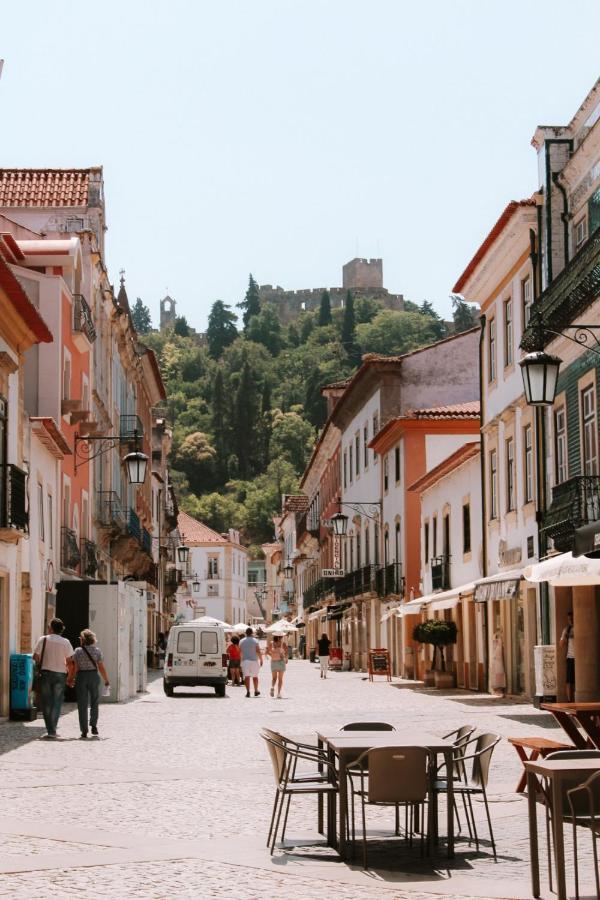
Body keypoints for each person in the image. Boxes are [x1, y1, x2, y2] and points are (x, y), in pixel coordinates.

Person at [33, 618, 75, 739]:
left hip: (45, 673)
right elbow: (70, 662)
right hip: (60, 675)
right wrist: (70, 677)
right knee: (57, 702)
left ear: (51, 628)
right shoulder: (66, 642)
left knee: (46, 702)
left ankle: (50, 730)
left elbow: (35, 657)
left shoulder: (43, 639)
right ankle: (53, 730)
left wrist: (43, 661)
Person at [68, 629, 110, 739]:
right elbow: (101, 667)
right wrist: (106, 679)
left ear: (82, 639)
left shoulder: (77, 651)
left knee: (82, 704)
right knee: (95, 701)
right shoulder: (97, 651)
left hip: (81, 676)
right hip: (93, 676)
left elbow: (75, 667)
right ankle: (93, 725)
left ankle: (84, 730)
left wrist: (71, 679)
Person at [240, 627, 263, 698]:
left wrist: (240, 661)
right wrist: (261, 659)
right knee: (255, 676)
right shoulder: (255, 641)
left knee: (246, 677)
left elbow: (240, 652)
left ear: (245, 633)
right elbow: (258, 651)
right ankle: (256, 691)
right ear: (252, 633)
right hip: (254, 660)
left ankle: (248, 692)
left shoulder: (241, 641)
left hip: (245, 661)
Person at [560, 611, 575, 702]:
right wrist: (565, 635)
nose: (571, 621)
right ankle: (570, 701)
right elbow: (561, 644)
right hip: (570, 657)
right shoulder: (567, 629)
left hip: (579, 658)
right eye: (569, 619)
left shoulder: (580, 627)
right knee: (569, 681)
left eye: (572, 618)